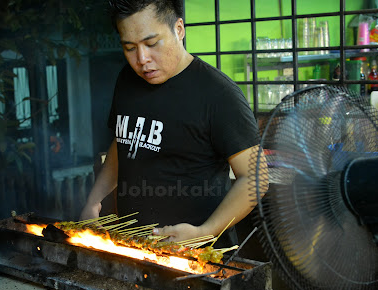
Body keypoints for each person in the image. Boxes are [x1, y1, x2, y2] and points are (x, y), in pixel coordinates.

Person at [80, 0, 267, 247]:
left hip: (196, 258)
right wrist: (94, 201)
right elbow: (124, 143)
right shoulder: (127, 80)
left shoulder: (218, 94)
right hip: (134, 248)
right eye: (129, 47)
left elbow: (257, 177)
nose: (142, 59)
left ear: (179, 29)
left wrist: (206, 231)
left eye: (151, 43)